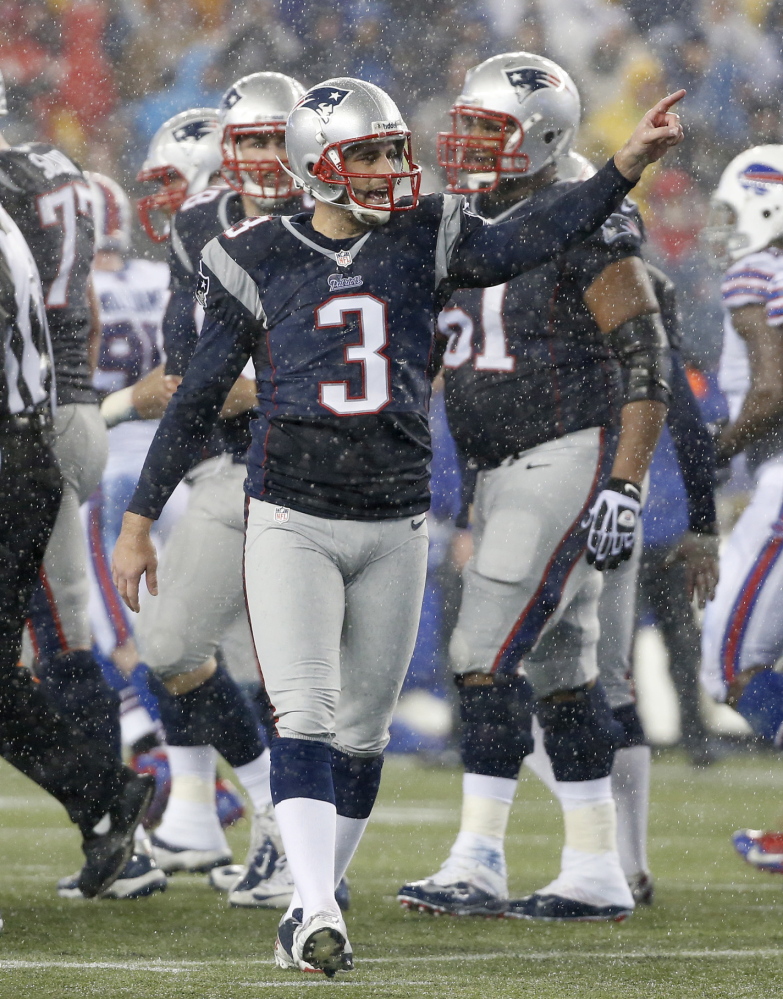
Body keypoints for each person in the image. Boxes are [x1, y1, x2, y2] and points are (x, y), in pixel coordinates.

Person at [112, 75, 683, 974]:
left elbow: (529, 235)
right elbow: (194, 399)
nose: (388, 168)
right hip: (292, 508)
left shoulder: (425, 231)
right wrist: (141, 513)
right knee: (303, 709)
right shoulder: (255, 253)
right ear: (314, 168)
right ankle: (308, 907)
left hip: (394, 515)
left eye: (390, 151)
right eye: (367, 155)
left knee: (364, 733)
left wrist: (619, 167)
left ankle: (316, 892)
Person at [397, 54, 671, 923]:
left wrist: (625, 483)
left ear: (543, 137)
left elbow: (644, 360)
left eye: (489, 129)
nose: (469, 143)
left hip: (565, 448)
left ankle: (476, 857)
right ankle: (593, 867)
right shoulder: (462, 220)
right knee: (563, 668)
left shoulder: (582, 218)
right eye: (466, 126)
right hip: (501, 467)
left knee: (481, 652)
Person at [135, 73, 308, 910]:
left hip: (292, 468)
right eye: (252, 141)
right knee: (215, 658)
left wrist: (229, 382)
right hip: (228, 462)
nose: (268, 159)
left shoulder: (337, 221)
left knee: (191, 651)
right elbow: (186, 373)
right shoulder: (200, 225)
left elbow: (301, 376)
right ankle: (275, 825)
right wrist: (226, 382)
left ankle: (285, 829)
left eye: (281, 139)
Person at [0, 194, 155, 912]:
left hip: (18, 452)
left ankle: (107, 797)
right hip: (39, 442)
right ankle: (103, 795)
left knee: (50, 652)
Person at [699, 145, 783, 869]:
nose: (724, 228)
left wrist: (716, 446)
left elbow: (768, 387)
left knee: (728, 663)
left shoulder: (757, 271)